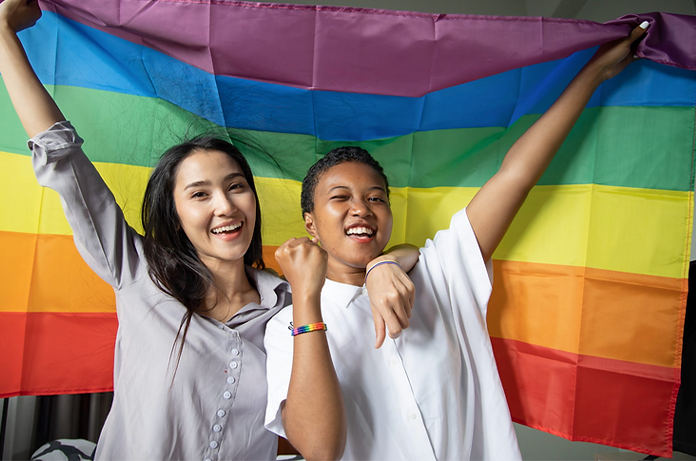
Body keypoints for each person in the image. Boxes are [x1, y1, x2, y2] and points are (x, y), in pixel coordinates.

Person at [0, 0, 419, 459]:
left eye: (236, 187)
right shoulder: (137, 272)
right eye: (199, 194)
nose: (225, 207)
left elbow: (398, 254)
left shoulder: (290, 300)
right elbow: (61, 156)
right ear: (174, 215)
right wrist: (2, 33)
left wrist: (381, 264)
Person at [264, 23, 650, 461]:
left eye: (376, 198)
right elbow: (319, 450)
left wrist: (594, 74)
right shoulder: (284, 328)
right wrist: (306, 298)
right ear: (310, 224)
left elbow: (516, 175)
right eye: (341, 198)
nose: (362, 209)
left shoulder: (440, 271)